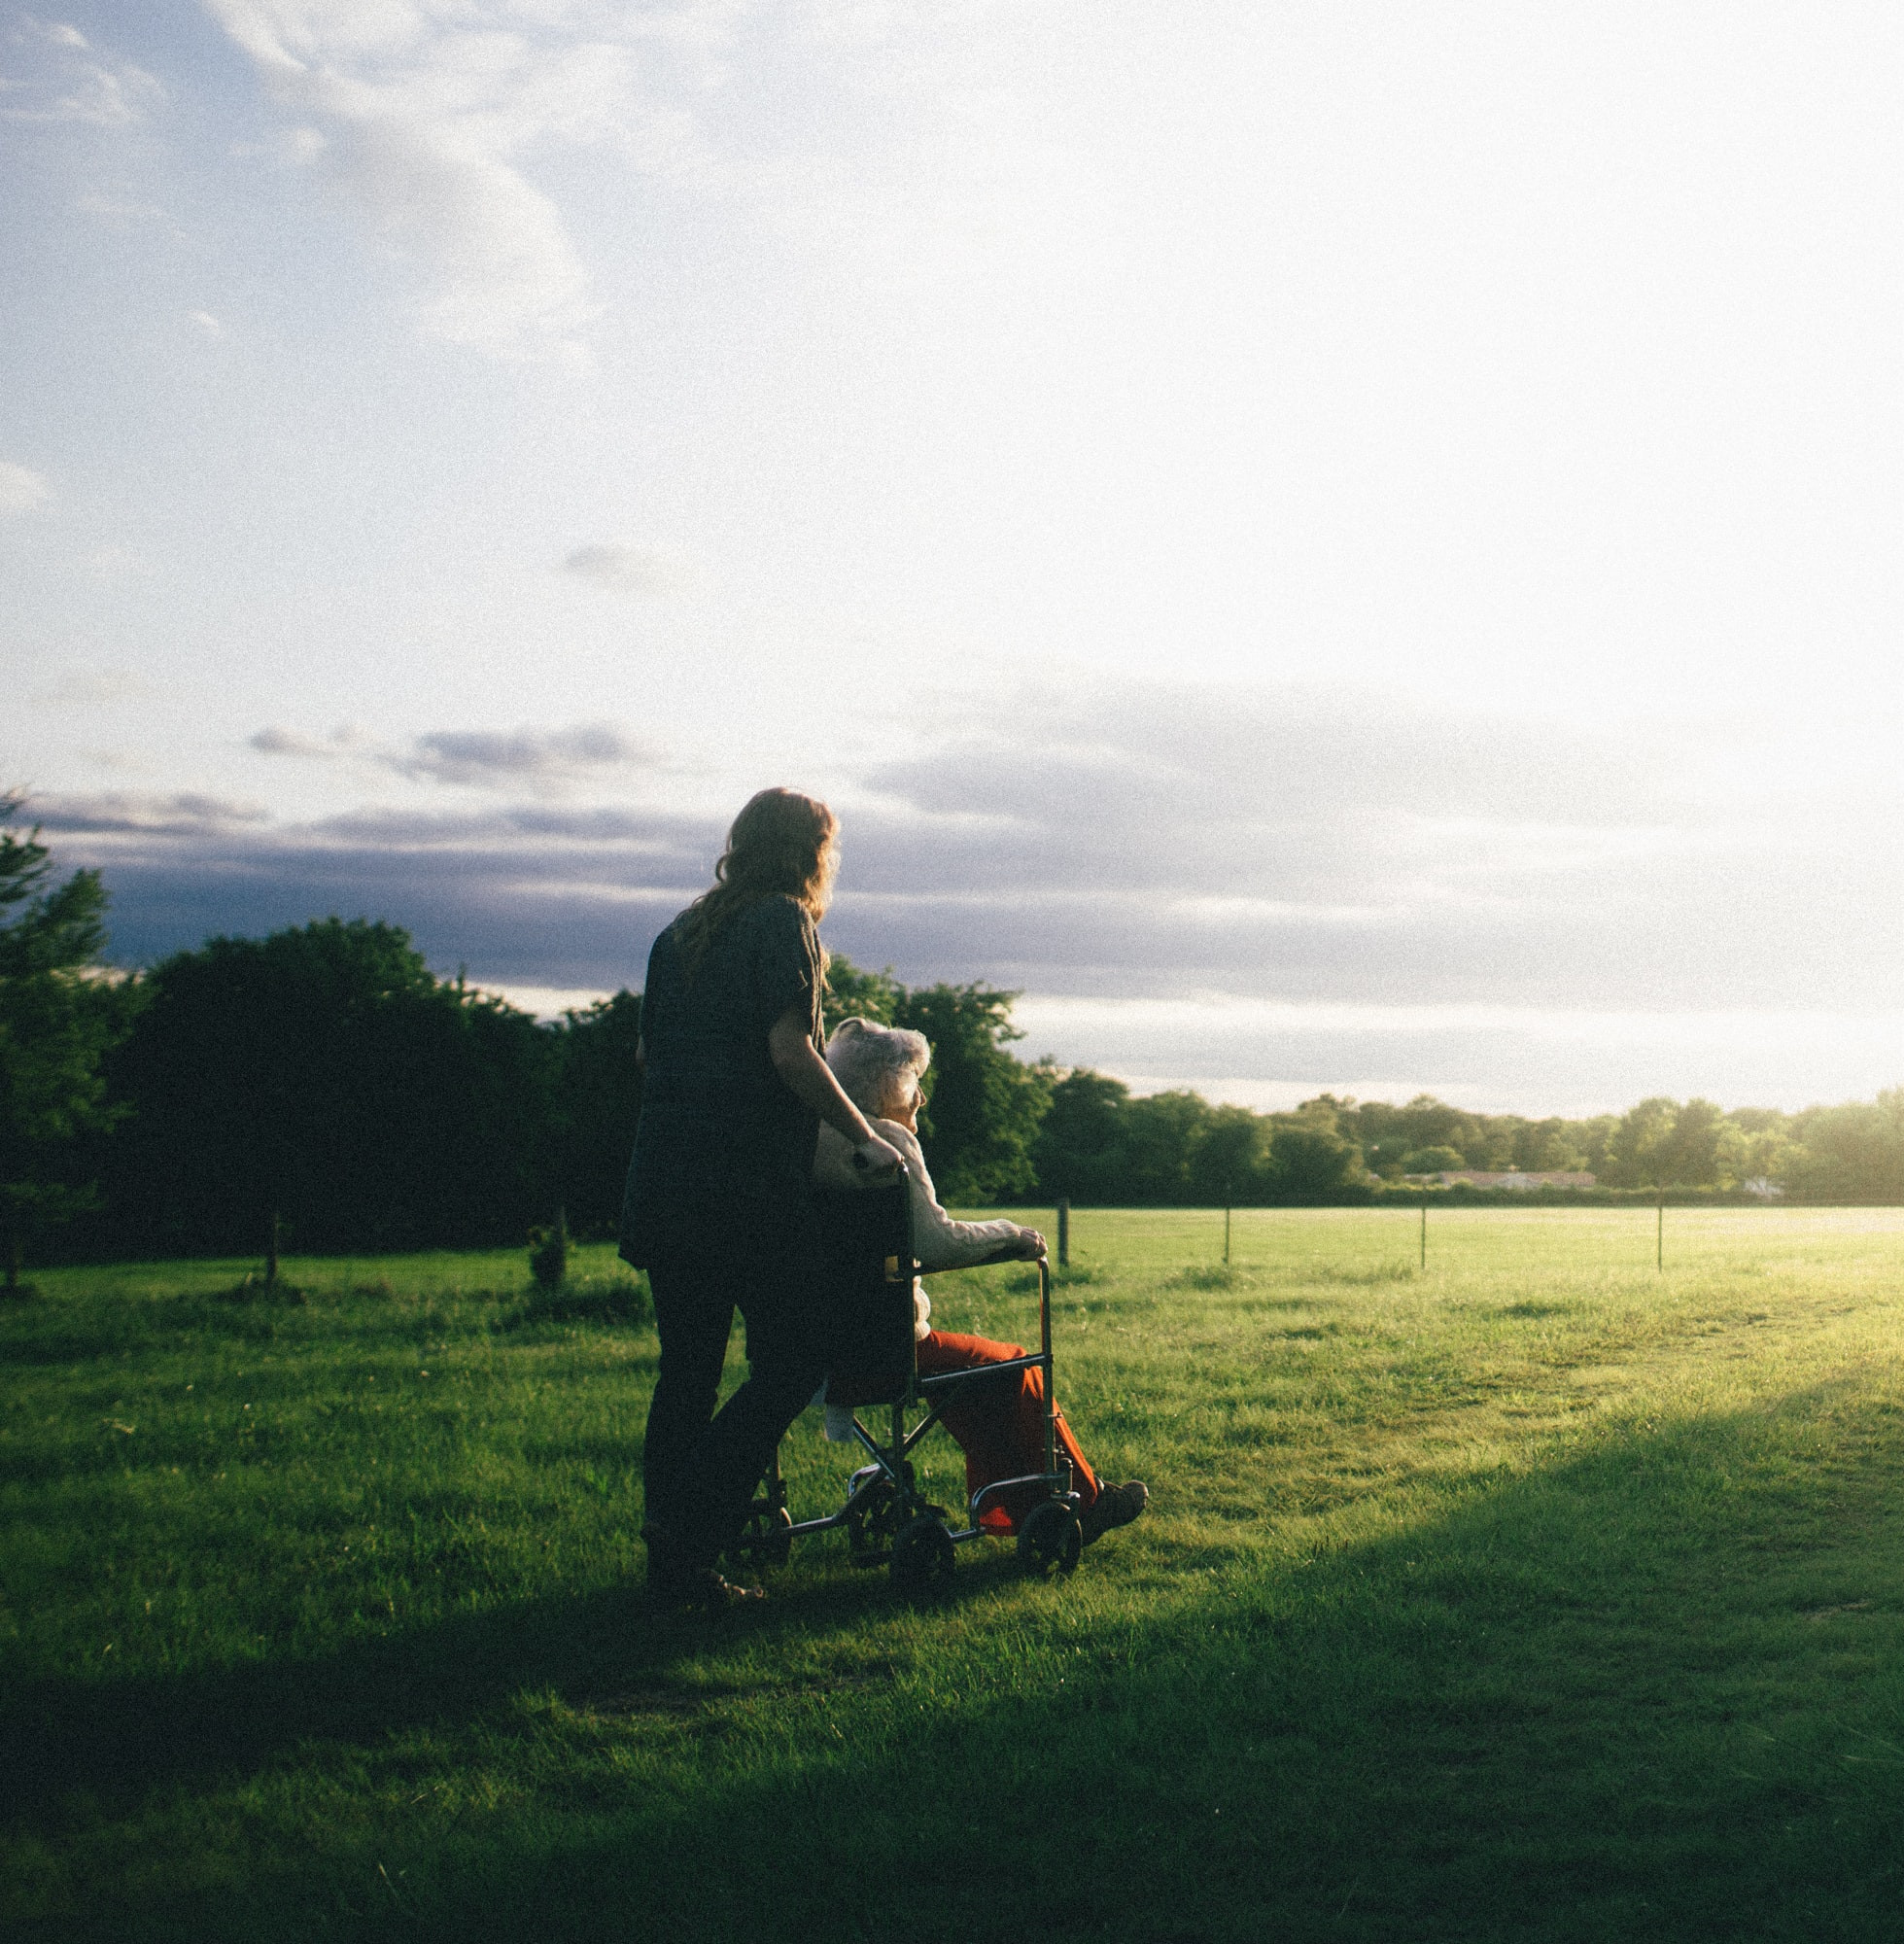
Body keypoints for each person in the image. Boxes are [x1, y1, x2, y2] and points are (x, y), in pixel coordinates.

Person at [619, 790, 903, 1608]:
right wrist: (863, 1135)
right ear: (812, 852)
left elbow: (649, 1054)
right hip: (739, 1188)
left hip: (663, 1176)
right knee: (791, 1362)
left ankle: (672, 1566)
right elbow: (791, 1051)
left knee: (687, 1374)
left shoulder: (677, 934)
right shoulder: (783, 923)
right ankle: (690, 1530)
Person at [813, 1018, 1148, 1546]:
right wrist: (1011, 1235)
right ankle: (1084, 1500)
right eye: (912, 1079)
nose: (921, 1095)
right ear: (883, 1085)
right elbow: (938, 1243)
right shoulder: (887, 1142)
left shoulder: (811, 1140)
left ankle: (1006, 1510)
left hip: (815, 1348)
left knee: (976, 1375)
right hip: (887, 1347)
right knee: (1014, 1365)